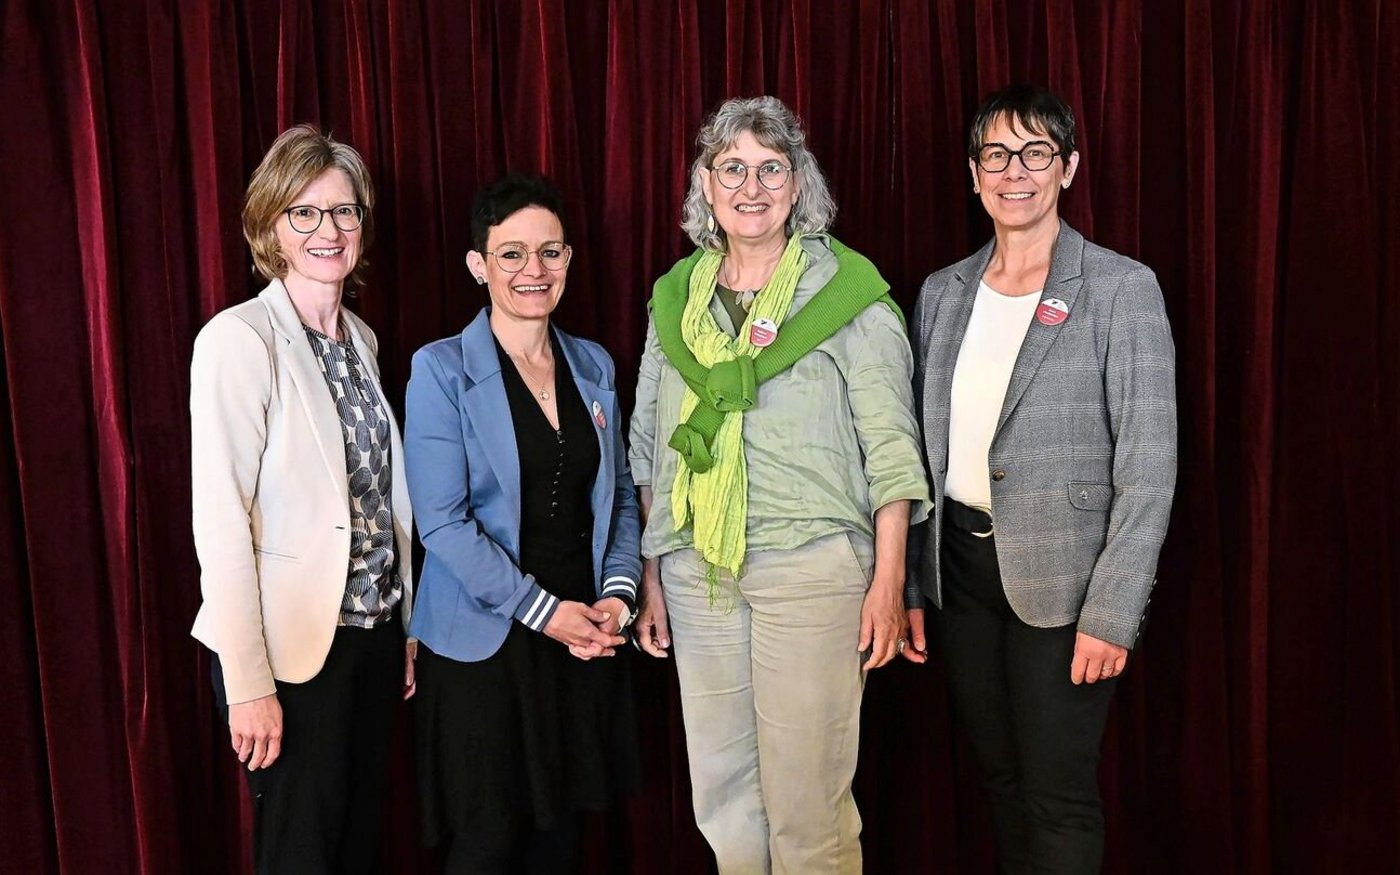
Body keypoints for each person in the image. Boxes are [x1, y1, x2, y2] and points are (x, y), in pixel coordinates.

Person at [629, 95, 931, 873]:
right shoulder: (675, 300)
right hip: (699, 571)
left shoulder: (849, 293)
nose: (751, 186)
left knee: (808, 804)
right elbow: (651, 447)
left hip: (812, 568)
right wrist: (655, 570)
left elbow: (893, 449)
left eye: (771, 168)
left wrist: (889, 579)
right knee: (725, 801)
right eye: (733, 167)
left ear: (799, 185)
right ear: (705, 182)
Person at [906, 83, 1178, 873]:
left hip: (1067, 585)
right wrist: (916, 586)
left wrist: (1114, 608)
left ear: (1067, 168)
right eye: (997, 154)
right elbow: (925, 451)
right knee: (1000, 779)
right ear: (973, 172)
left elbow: (1150, 465)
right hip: (961, 572)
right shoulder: (941, 293)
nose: (1014, 171)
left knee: (1058, 791)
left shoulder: (1121, 289)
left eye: (1035, 153)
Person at [189, 124, 416, 873]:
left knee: (355, 844)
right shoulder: (239, 338)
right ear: (271, 226)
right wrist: (249, 684)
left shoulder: (364, 340)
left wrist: (403, 624)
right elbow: (220, 521)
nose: (329, 229)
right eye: (305, 212)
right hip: (290, 656)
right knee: (301, 855)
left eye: (344, 211)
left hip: (370, 638)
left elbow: (380, 501)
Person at [404, 174, 642, 872]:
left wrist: (618, 597)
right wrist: (545, 612)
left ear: (569, 259)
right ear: (479, 264)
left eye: (549, 252)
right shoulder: (441, 369)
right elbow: (442, 524)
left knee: (560, 839)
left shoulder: (593, 362)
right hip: (488, 639)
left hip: (581, 636)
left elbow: (621, 495)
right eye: (511, 254)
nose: (533, 271)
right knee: (488, 842)